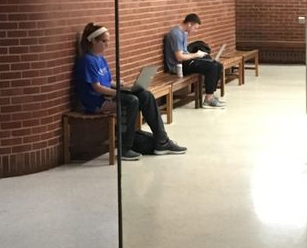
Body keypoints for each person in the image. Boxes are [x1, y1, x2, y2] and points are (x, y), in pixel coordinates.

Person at [75, 23, 186, 160]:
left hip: (108, 95)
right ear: (93, 40)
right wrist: (119, 93)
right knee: (131, 101)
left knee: (145, 95)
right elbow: (97, 88)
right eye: (104, 41)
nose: (107, 45)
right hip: (97, 102)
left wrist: (121, 86)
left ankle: (162, 141)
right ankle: (125, 148)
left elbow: (107, 82)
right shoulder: (87, 61)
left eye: (108, 41)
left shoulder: (101, 59)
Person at [164, 13, 225, 109]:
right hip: (178, 67)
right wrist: (196, 55)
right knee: (211, 67)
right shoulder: (176, 34)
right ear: (189, 24)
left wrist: (199, 56)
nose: (195, 31)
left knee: (218, 65)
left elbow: (185, 52)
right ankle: (208, 100)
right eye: (195, 28)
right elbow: (179, 57)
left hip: (186, 62)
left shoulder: (183, 33)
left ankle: (211, 96)